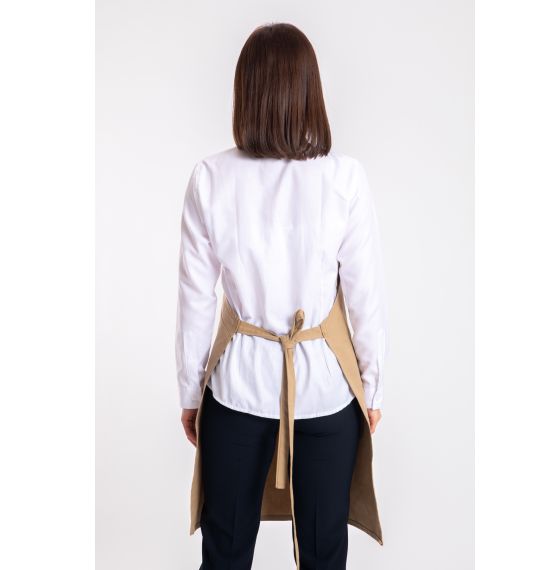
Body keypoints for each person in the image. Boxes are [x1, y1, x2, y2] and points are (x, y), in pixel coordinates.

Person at [175, 22, 388, 570]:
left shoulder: (211, 178)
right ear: (310, 90)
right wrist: (371, 385)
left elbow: (196, 298)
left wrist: (191, 393)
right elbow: (365, 295)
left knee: (225, 553)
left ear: (245, 92)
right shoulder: (344, 179)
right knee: (323, 555)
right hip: (325, 392)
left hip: (236, 391)